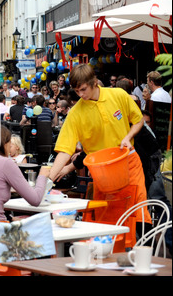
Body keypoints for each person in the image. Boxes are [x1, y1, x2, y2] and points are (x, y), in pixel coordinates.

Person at [49, 63, 151, 228]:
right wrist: (49, 179)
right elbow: (64, 151)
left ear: (94, 82)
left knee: (137, 215)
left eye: (83, 89)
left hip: (129, 164)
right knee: (107, 220)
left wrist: (128, 137)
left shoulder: (118, 95)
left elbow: (138, 120)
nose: (81, 95)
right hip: (102, 172)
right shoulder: (75, 114)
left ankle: (138, 251)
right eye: (76, 91)